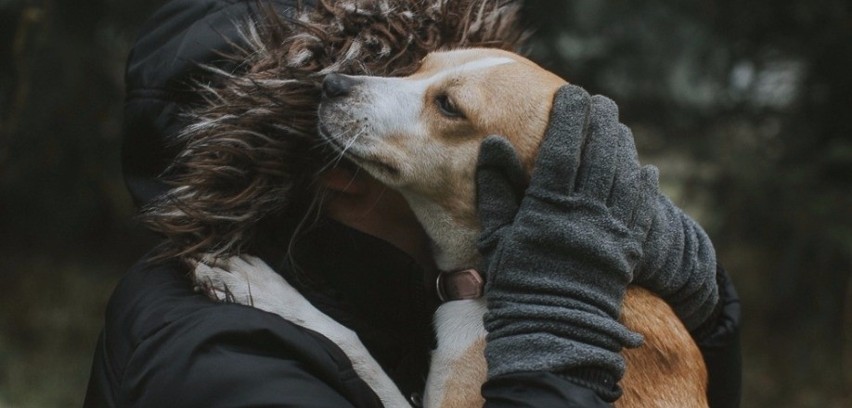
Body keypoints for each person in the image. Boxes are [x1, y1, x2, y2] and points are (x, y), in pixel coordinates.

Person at [84, 0, 742, 407]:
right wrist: (561, 345)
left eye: (444, 97)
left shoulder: (418, 296)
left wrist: (703, 309)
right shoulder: (216, 366)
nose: (354, 88)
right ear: (339, 175)